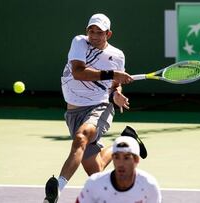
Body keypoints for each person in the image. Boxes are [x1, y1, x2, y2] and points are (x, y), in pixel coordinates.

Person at [44, 13, 138, 203]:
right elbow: (78, 72)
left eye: (99, 32)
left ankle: (57, 190)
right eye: (91, 31)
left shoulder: (117, 55)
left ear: (108, 34)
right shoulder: (79, 42)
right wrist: (114, 75)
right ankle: (125, 140)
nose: (94, 35)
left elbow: (114, 85)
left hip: (99, 106)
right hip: (73, 112)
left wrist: (117, 93)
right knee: (96, 170)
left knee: (81, 137)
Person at [75, 136, 162, 203]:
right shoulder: (94, 183)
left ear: (136, 160)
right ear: (112, 158)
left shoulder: (149, 185)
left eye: (126, 158)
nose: (121, 163)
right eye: (117, 157)